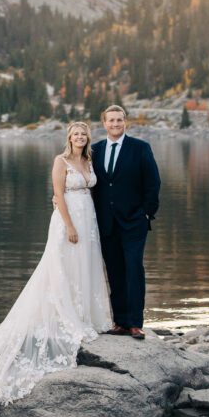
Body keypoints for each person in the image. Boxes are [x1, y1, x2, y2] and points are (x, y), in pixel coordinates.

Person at [0, 121, 112, 415]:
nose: (79, 137)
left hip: (89, 218)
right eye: (75, 134)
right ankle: (63, 314)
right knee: (62, 267)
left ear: (88, 138)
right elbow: (59, 194)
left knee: (84, 267)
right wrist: (69, 225)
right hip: (68, 220)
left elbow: (92, 190)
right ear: (69, 137)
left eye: (83, 134)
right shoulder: (60, 161)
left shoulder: (89, 160)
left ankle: (84, 313)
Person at [91, 104, 160, 340]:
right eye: (111, 120)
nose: (115, 124)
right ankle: (119, 321)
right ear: (104, 123)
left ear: (125, 122)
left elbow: (153, 183)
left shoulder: (140, 148)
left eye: (119, 120)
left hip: (134, 222)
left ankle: (135, 323)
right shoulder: (95, 150)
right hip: (106, 223)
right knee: (115, 271)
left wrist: (146, 214)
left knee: (134, 269)